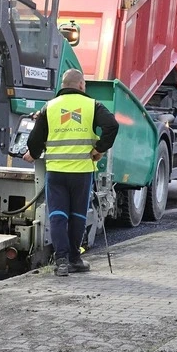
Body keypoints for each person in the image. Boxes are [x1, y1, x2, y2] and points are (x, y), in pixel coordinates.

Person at [23, 69, 119, 276]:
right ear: (82, 85)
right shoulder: (93, 106)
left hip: (56, 172)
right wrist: (99, 149)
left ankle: (61, 262)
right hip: (82, 172)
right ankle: (75, 258)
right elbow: (112, 125)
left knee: (57, 215)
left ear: (63, 85)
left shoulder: (49, 107)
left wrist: (34, 153)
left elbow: (34, 139)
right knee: (77, 216)